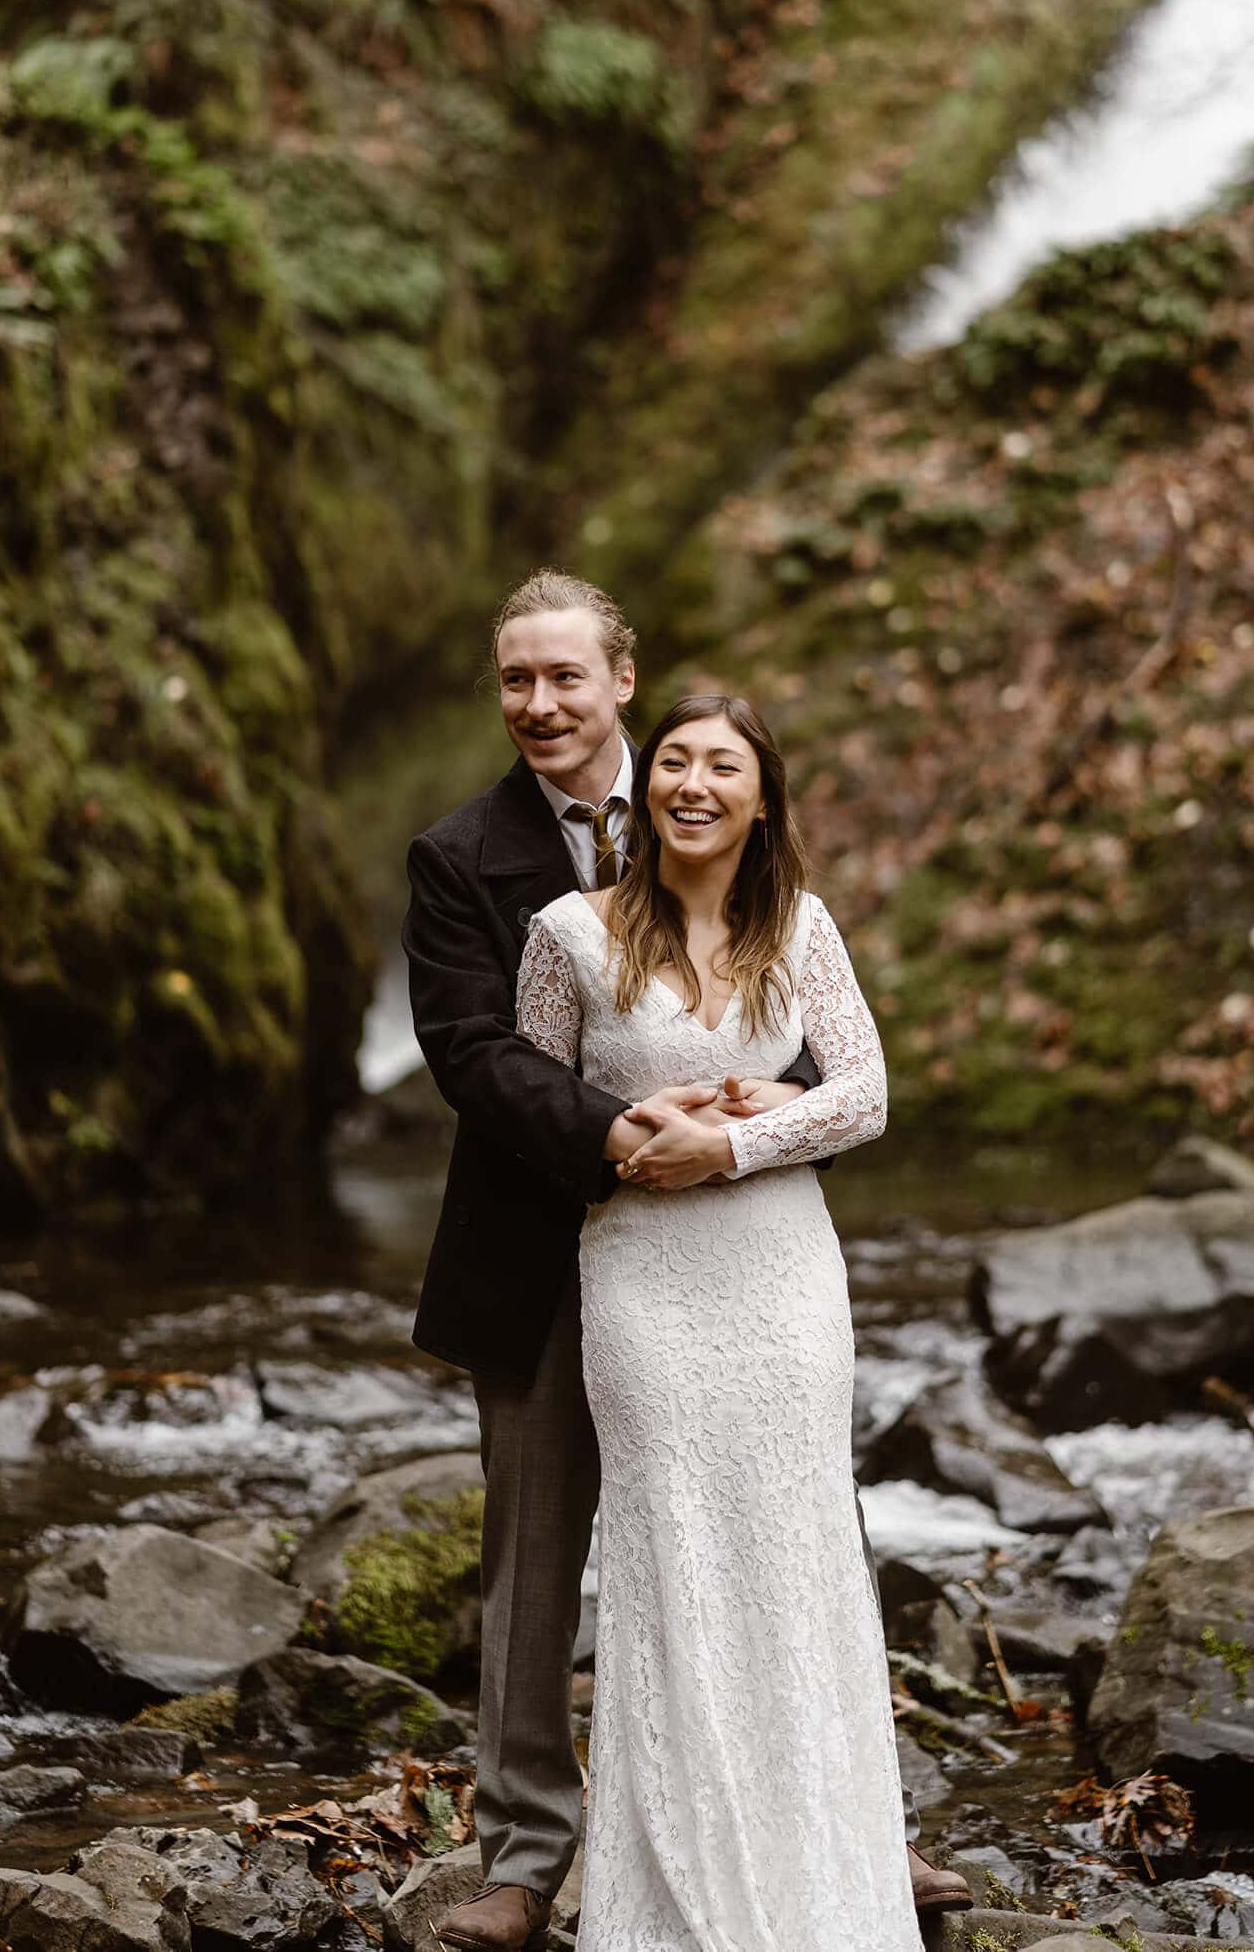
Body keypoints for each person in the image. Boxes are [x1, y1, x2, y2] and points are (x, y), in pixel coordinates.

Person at [404, 573, 847, 1952]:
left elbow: (818, 1049)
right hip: (539, 1245)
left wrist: (749, 1124)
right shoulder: (458, 854)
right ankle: (526, 1858)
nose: (539, 704)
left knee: (775, 1526)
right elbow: (475, 1054)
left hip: (727, 1252)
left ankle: (826, 1822)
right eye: (514, 681)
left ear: (622, 681)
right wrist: (622, 1131)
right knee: (532, 1557)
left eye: (564, 678)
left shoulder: (713, 813)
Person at [515, 692, 929, 1952]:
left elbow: (862, 1094)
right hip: (640, 1280)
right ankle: (675, 1896)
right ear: (644, 791)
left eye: (723, 766)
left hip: (783, 1278)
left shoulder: (799, 927)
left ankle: (825, 1878)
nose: (694, 783)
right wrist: (635, 1134)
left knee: (798, 1552)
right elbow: (534, 1101)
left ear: (762, 799)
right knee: (671, 1553)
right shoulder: (567, 932)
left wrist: (736, 1141)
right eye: (676, 761)